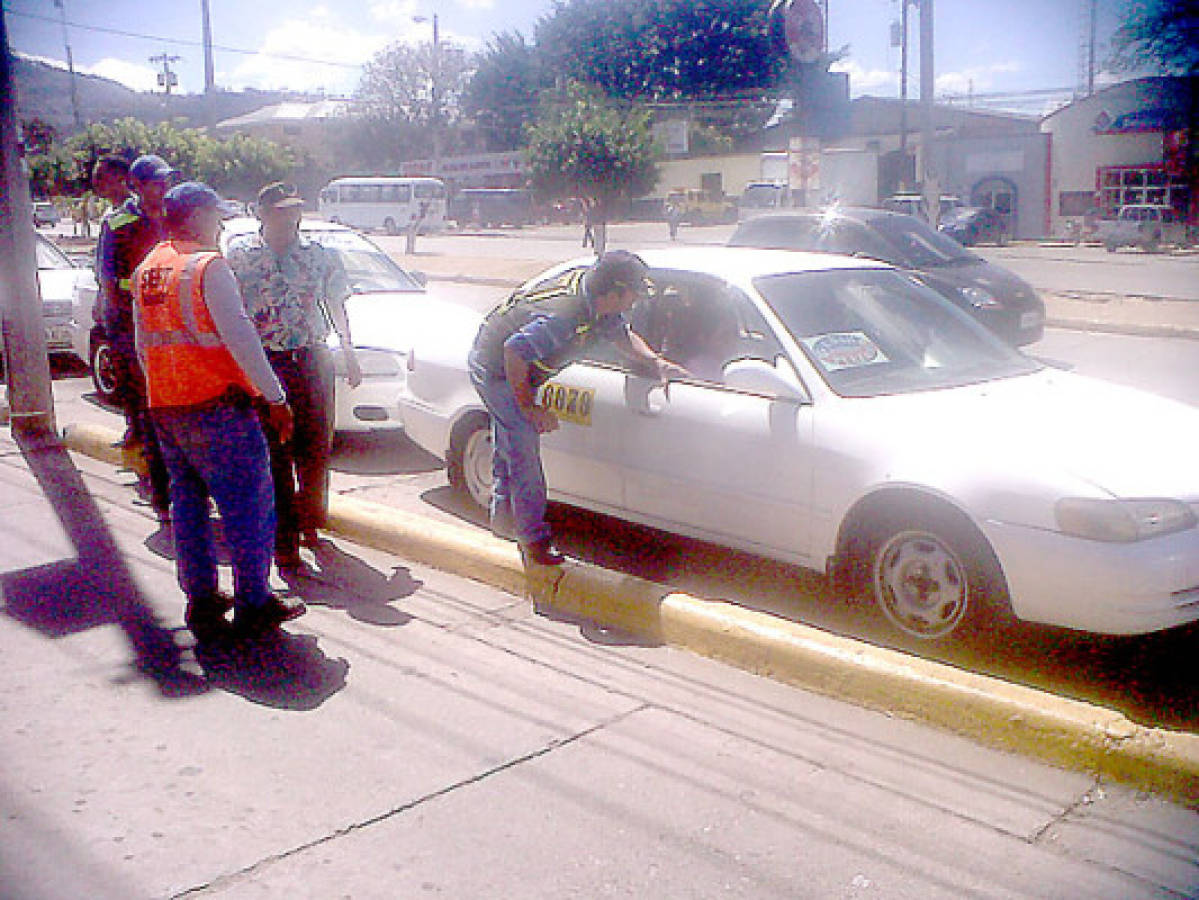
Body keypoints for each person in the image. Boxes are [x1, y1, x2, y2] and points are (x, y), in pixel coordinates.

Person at [131, 181, 305, 639]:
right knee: (249, 504)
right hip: (216, 407)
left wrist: (158, 401)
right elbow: (241, 337)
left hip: (167, 407)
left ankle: (202, 600)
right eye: (215, 215)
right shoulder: (207, 266)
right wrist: (276, 398)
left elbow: (142, 345)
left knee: (187, 506)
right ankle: (254, 601)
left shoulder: (150, 267)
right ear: (194, 218)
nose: (221, 223)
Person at [468, 250, 688, 566]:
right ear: (614, 293)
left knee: (510, 444)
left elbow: (622, 336)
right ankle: (534, 541)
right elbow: (513, 351)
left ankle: (503, 520)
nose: (636, 301)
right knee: (524, 446)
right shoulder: (565, 316)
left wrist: (655, 361)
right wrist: (530, 407)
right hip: (497, 370)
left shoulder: (599, 303)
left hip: (518, 366)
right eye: (634, 293)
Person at [226, 182, 362, 574]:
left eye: (295, 210)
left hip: (312, 359)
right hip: (265, 363)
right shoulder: (241, 257)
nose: (290, 218)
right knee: (274, 456)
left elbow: (336, 303)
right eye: (281, 211)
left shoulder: (318, 256)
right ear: (262, 213)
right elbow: (229, 313)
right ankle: (284, 543)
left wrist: (349, 354)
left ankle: (311, 523)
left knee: (316, 446)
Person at [94, 153, 174, 521]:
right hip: (134, 327)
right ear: (137, 187)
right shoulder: (120, 222)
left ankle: (177, 484)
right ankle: (162, 492)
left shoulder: (174, 218)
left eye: (166, 182)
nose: (164, 189)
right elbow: (110, 282)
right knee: (150, 406)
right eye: (156, 183)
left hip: (171, 326)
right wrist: (131, 329)